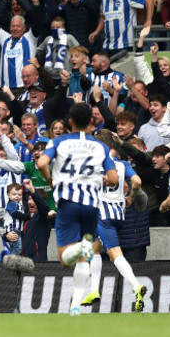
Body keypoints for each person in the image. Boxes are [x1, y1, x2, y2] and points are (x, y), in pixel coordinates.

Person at [37, 102, 118, 316]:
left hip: (68, 203)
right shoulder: (100, 146)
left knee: (65, 257)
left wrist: (51, 179)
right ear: (91, 122)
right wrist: (99, 179)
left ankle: (83, 249)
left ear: (69, 122)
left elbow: (41, 163)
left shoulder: (59, 141)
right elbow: (113, 178)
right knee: (84, 258)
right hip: (91, 205)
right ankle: (75, 305)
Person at [81, 134, 146, 312]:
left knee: (115, 254)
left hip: (102, 214)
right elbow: (137, 181)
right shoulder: (122, 164)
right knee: (94, 248)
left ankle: (136, 286)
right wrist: (130, 197)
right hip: (118, 213)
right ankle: (94, 290)